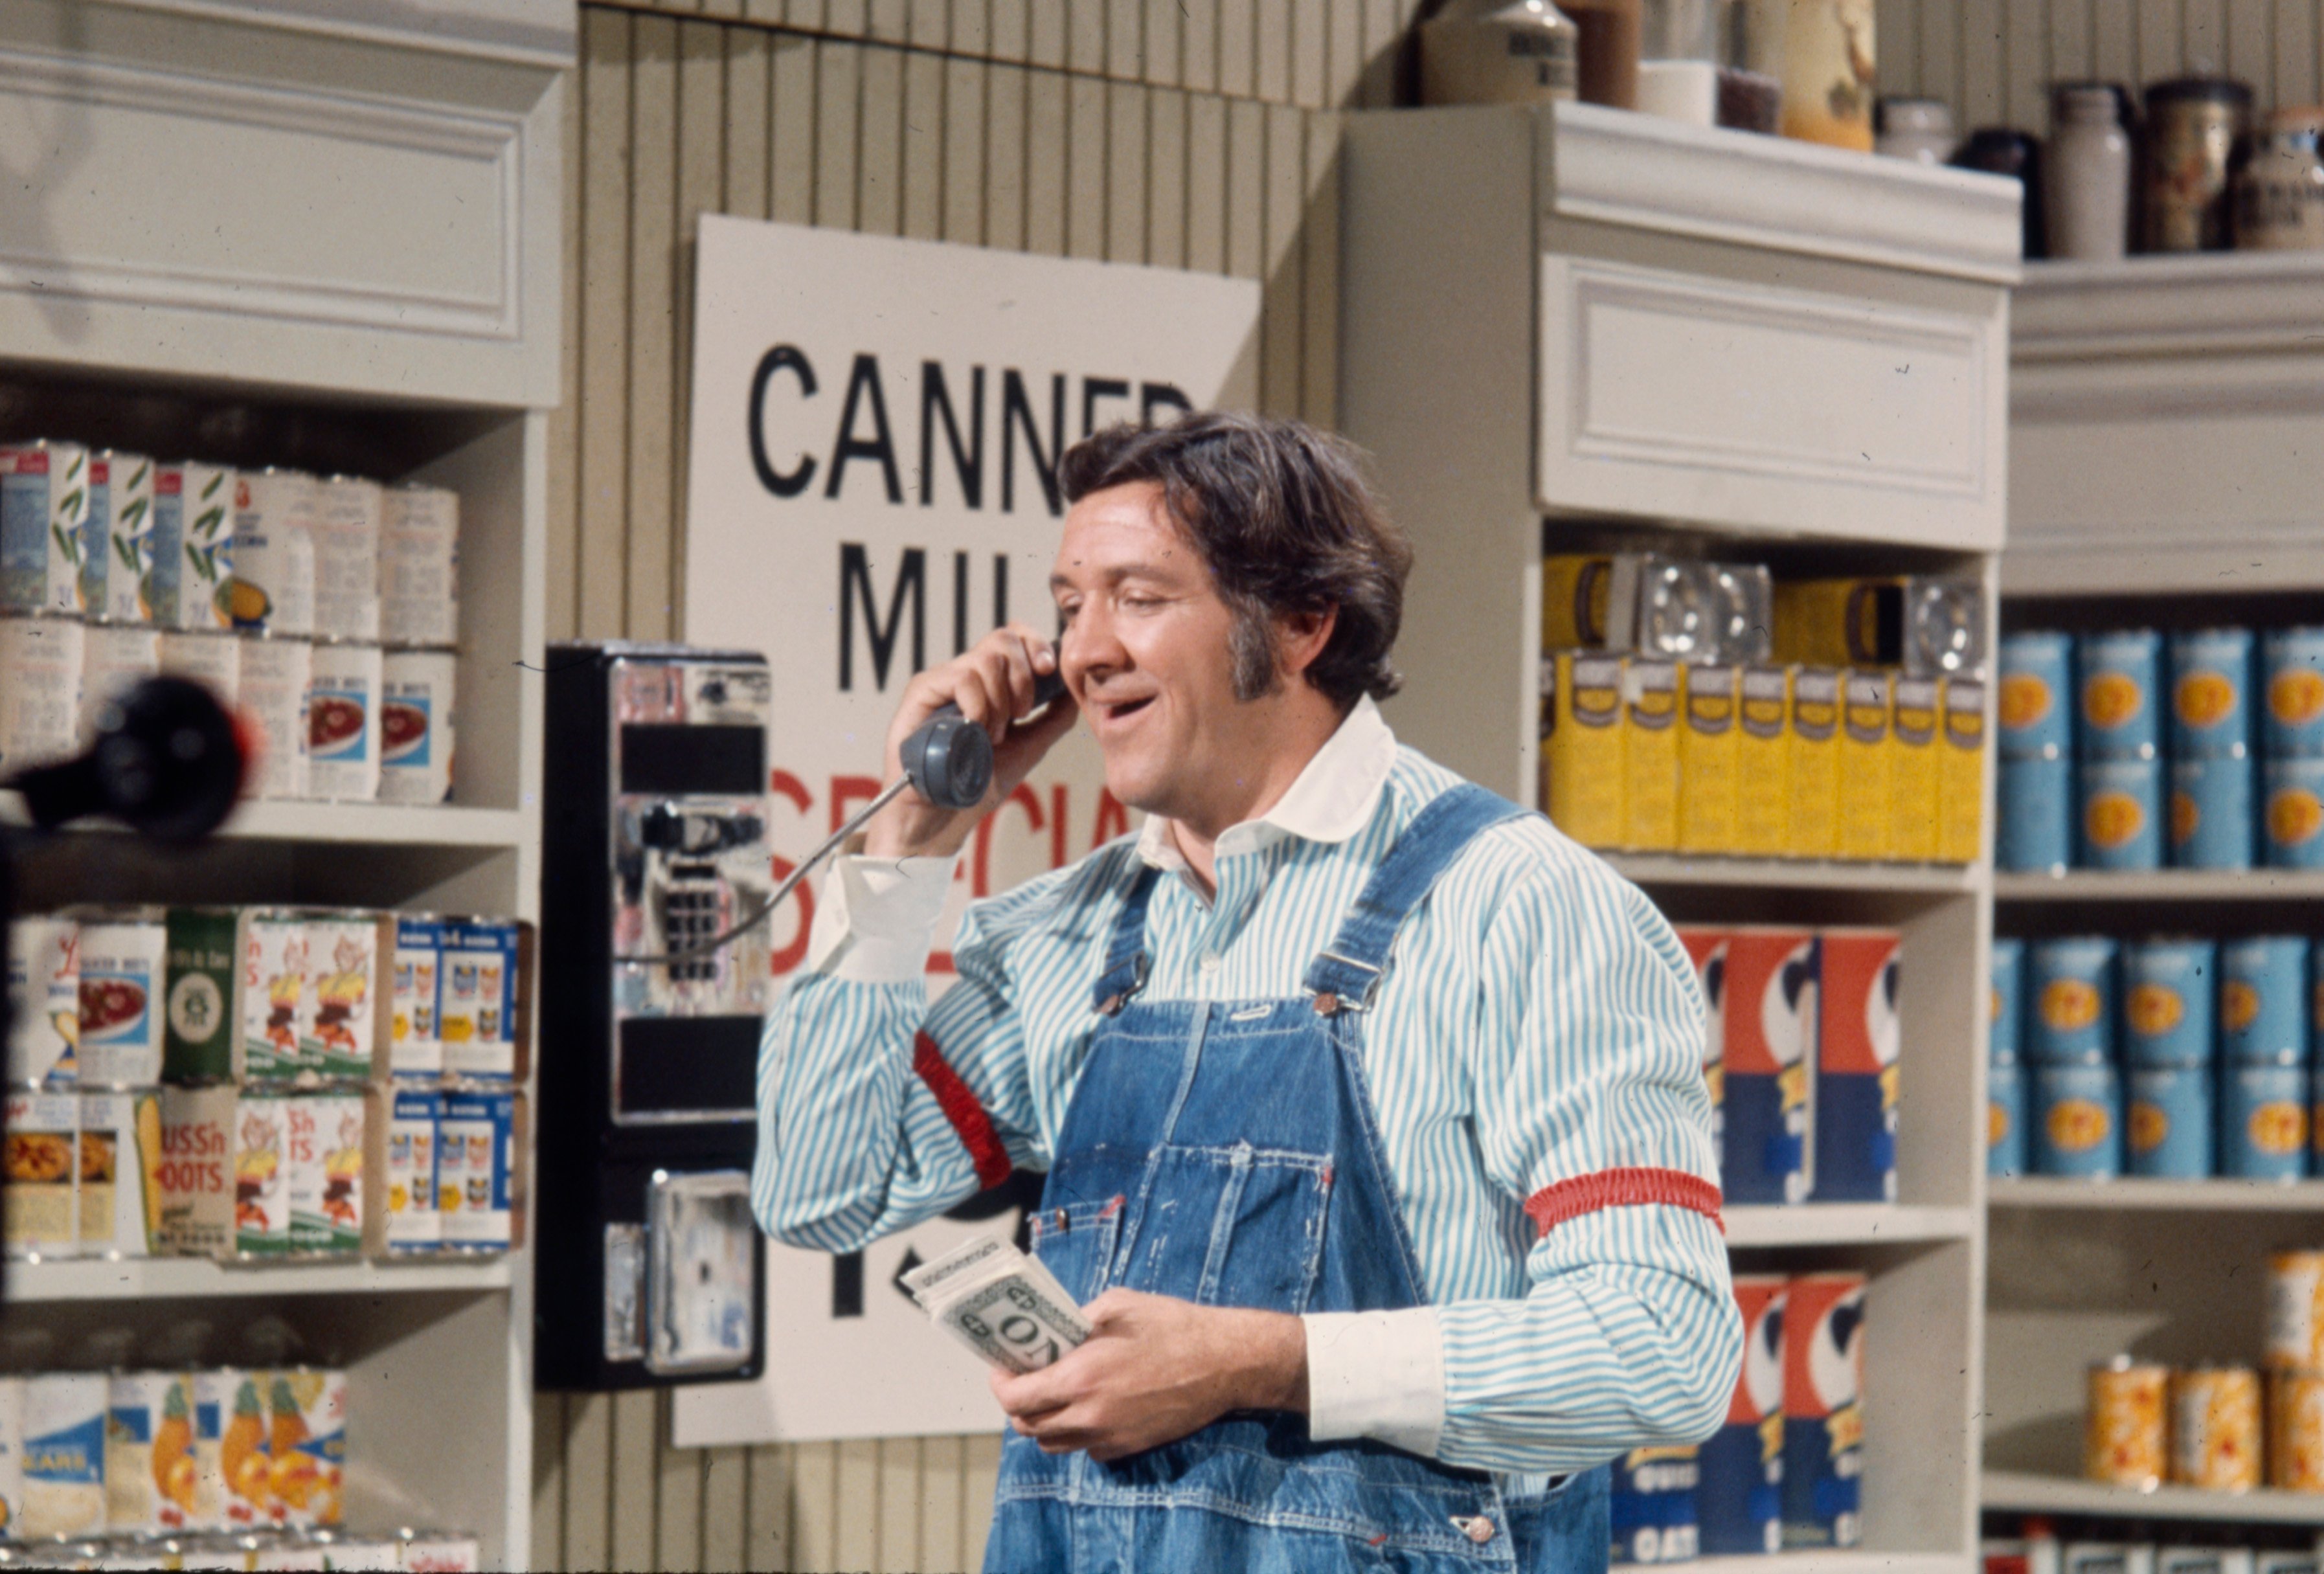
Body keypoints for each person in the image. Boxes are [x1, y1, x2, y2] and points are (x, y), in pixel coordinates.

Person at [756, 411, 1741, 1573]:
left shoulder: (1522, 910)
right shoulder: (1068, 936)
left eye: (1139, 597)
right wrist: (911, 843)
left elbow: (1663, 1348)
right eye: (1069, 605)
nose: (1083, 652)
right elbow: (818, 1191)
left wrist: (1258, 1363)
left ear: (1300, 624)